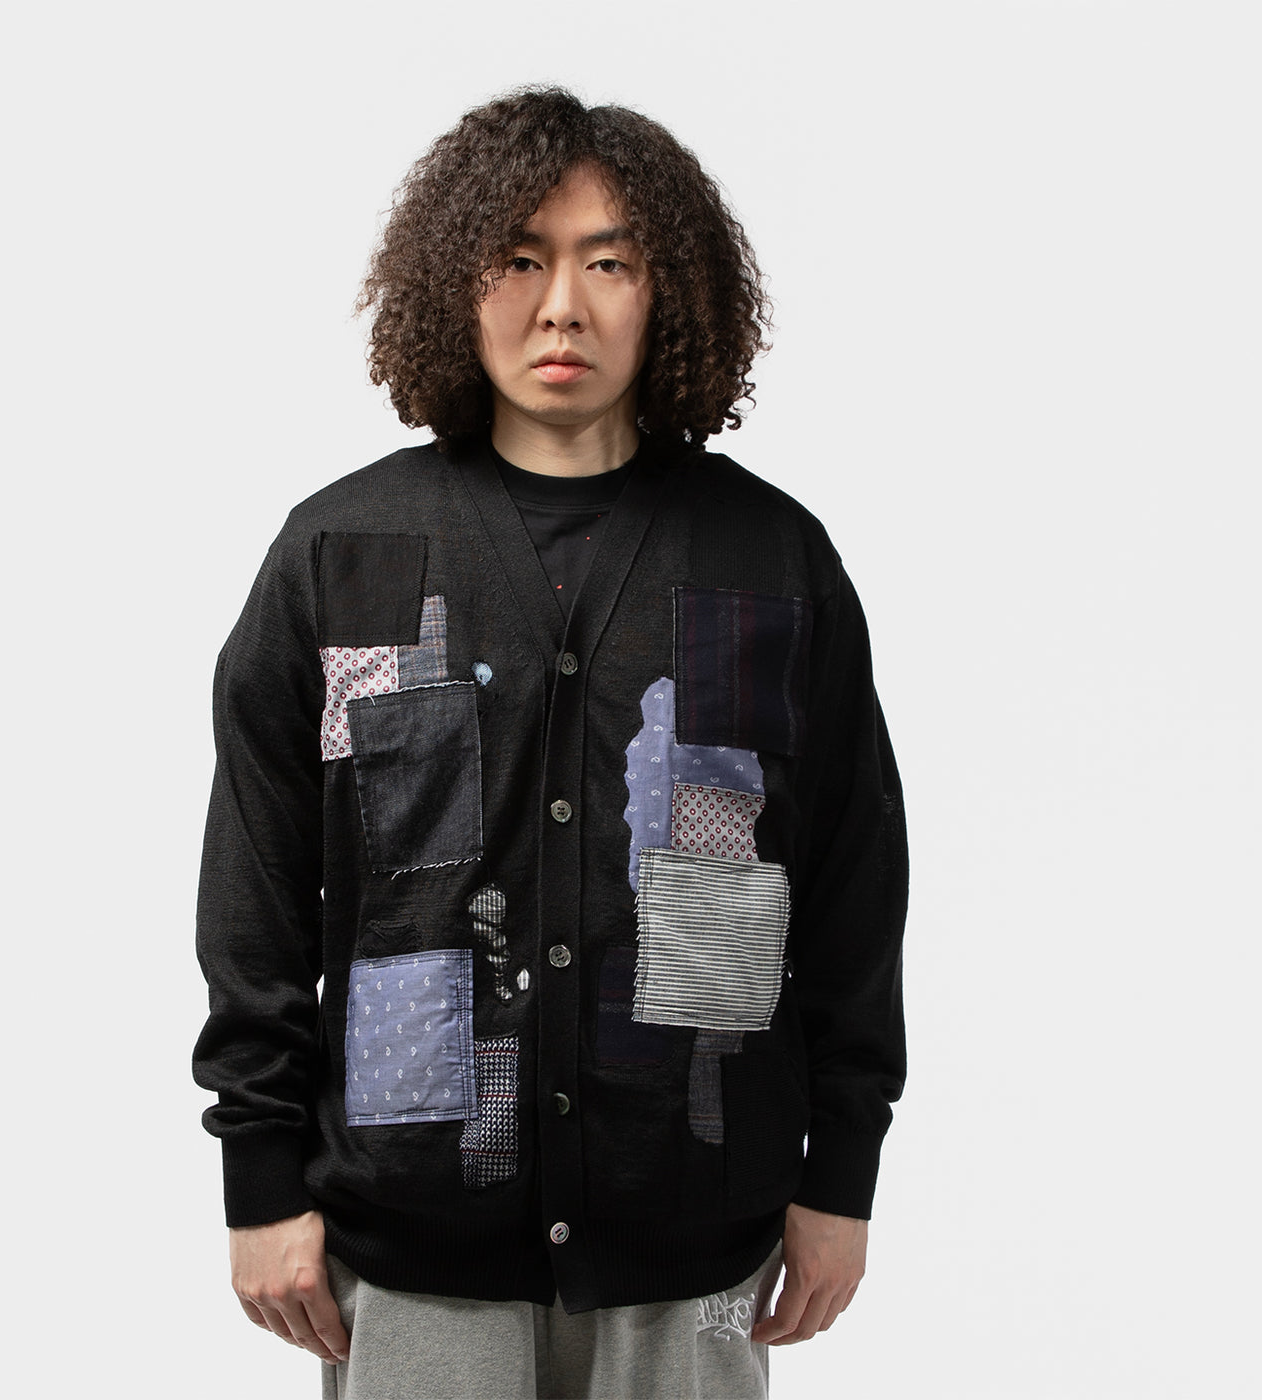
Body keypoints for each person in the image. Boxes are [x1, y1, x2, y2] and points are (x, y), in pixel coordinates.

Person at [193, 86, 907, 1400]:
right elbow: (259, 889)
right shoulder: (342, 556)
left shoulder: (771, 562)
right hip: (410, 1238)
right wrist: (259, 1174)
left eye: (609, 263)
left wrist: (842, 1173)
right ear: (455, 285)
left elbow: (852, 889)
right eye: (519, 259)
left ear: (669, 291)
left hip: (696, 1231)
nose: (562, 307)